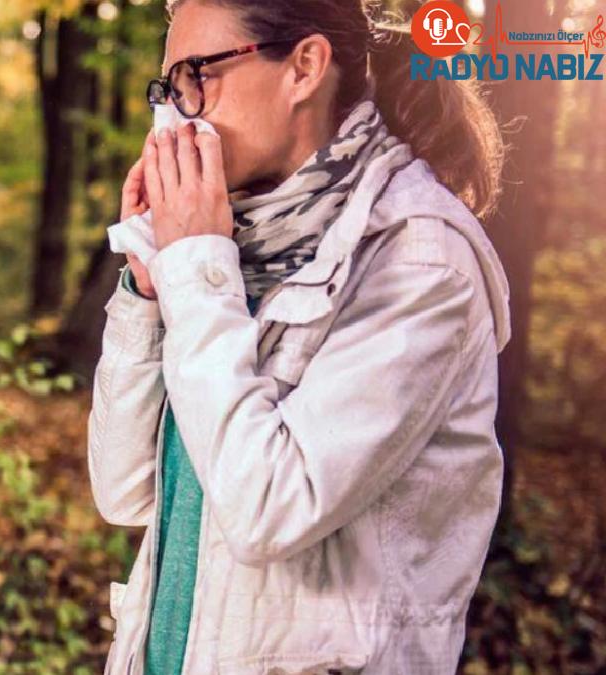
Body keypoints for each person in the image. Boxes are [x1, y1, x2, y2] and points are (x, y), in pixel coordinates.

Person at [88, 1, 511, 673]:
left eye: (198, 76)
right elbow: (124, 489)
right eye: (168, 90)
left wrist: (198, 267)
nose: (175, 117)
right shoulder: (233, 244)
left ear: (304, 68)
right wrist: (147, 286)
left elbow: (267, 509)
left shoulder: (420, 260)